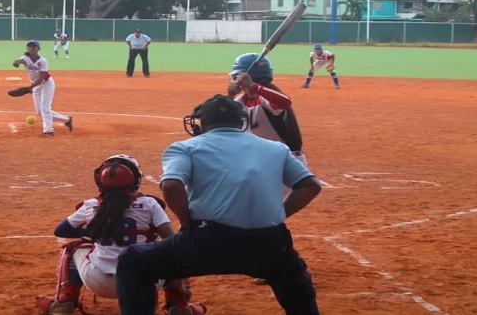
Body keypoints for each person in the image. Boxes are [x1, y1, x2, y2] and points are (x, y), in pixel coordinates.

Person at [116, 94, 322, 315]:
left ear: (202, 123)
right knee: (293, 274)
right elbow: (310, 185)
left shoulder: (185, 147)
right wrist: (279, 213)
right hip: (267, 243)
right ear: (240, 121)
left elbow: (171, 185)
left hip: (207, 242)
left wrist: (187, 224)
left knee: (133, 261)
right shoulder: (276, 149)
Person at [36, 154, 206, 315]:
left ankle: (64, 301)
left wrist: (95, 232)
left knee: (73, 250)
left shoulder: (92, 205)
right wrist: (175, 277)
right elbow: (171, 241)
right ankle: (178, 303)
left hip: (99, 282)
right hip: (144, 282)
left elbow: (61, 230)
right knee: (172, 249)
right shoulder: (149, 204)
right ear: (135, 180)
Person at [226, 53, 306, 166]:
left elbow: (285, 102)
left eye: (237, 76)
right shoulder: (241, 100)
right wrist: (230, 95)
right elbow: (222, 115)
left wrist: (253, 85)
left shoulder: (265, 98)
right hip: (260, 158)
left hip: (285, 159)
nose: (235, 80)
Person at [12, 40, 72, 136]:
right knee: (40, 111)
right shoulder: (25, 58)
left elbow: (41, 78)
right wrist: (17, 62)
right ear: (27, 48)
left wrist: (29, 88)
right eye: (30, 47)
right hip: (35, 86)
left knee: (45, 108)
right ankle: (67, 120)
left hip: (46, 84)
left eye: (34, 47)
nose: (32, 48)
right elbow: (18, 61)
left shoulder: (43, 61)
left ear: (38, 49)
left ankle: (48, 131)